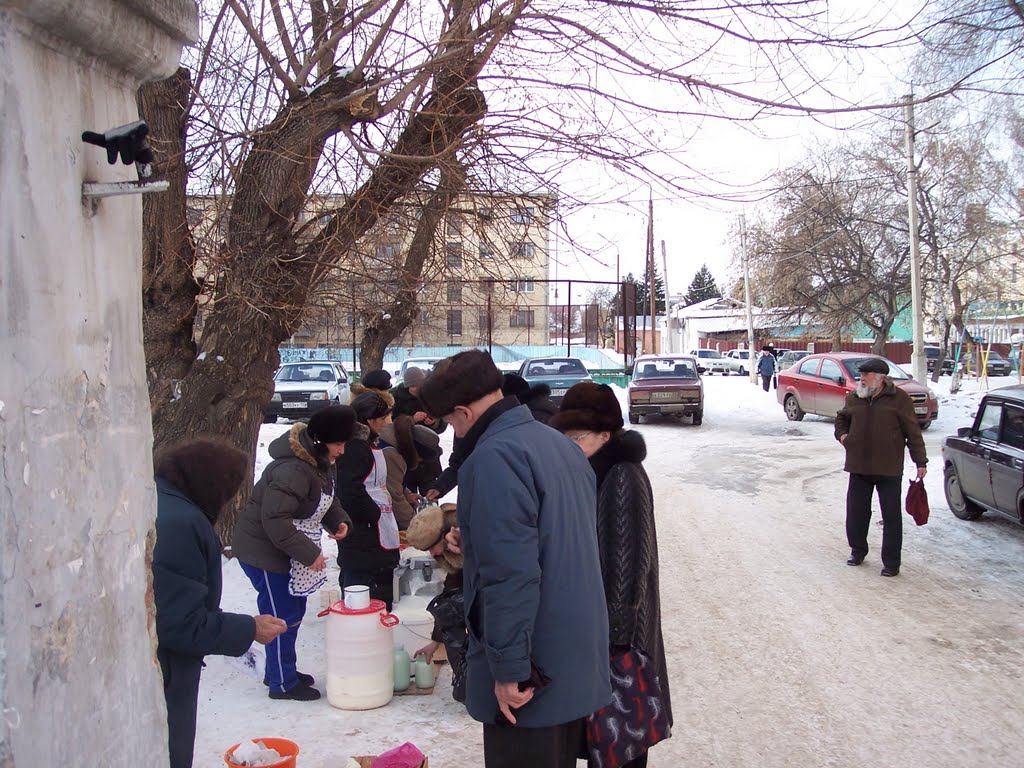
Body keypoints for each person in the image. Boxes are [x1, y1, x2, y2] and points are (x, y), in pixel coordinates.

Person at [419, 350, 611, 768]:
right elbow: (552, 540)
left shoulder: (494, 458)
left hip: (530, 668)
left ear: (463, 411)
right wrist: (475, 541)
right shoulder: (555, 443)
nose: (454, 431)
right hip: (570, 651)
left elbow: (511, 576)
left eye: (451, 422)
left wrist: (509, 672)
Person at [550, 382, 673, 768]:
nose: (569, 445)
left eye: (577, 437)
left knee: (622, 740)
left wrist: (616, 643)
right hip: (598, 634)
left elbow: (628, 562)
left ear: (605, 435)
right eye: (563, 437)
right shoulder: (588, 472)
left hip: (619, 639)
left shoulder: (620, 475)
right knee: (604, 739)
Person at [153, 437, 288, 768]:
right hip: (164, 672)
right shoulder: (181, 524)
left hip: (162, 666)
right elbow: (178, 623)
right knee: (168, 750)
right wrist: (248, 628)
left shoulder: (159, 500)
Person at [232, 406, 354, 701]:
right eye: (338, 443)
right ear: (322, 441)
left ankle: (279, 671)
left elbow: (325, 498)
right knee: (280, 616)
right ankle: (282, 684)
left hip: (285, 549)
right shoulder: (292, 469)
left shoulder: (319, 462)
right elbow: (274, 518)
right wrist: (309, 553)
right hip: (264, 551)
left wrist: (338, 519)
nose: (342, 450)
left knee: (292, 612)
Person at [834, 357, 928, 577]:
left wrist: (920, 461)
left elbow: (912, 431)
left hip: (888, 468)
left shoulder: (899, 399)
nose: (862, 379)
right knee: (856, 513)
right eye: (861, 375)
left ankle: (891, 563)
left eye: (866, 375)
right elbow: (841, 419)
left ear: (880, 378)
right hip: (859, 466)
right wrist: (844, 436)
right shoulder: (855, 397)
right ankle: (857, 550)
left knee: (891, 517)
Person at [336, 393, 401, 608]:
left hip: (375, 526)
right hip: (363, 532)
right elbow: (349, 489)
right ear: (369, 419)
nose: (385, 423)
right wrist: (372, 513)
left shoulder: (368, 443)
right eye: (382, 419)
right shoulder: (355, 448)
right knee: (361, 590)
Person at [405, 503, 468, 703]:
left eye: (432, 548)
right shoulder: (455, 559)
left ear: (446, 535)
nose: (432, 554)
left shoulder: (478, 545)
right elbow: (450, 595)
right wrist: (435, 641)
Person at [392, 366, 447, 433]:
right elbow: (392, 422)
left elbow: (444, 418)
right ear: (407, 387)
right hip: (404, 439)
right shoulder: (397, 397)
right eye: (413, 386)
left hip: (427, 438)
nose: (416, 389)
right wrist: (412, 419)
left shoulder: (431, 395)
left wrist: (434, 422)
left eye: (418, 385)